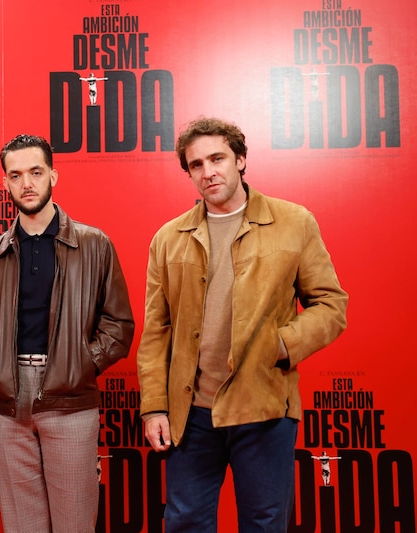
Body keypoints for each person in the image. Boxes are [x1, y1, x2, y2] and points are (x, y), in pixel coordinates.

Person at [136, 116, 348, 532]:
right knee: (184, 523)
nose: (208, 172)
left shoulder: (294, 222)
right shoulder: (168, 237)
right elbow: (156, 331)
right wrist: (154, 406)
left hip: (264, 406)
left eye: (217, 158)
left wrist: (282, 344)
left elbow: (331, 305)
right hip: (191, 413)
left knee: (265, 524)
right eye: (196, 164)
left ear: (241, 159)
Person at [0, 134, 135, 532]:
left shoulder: (94, 244)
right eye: (16, 175)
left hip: (72, 398)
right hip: (7, 403)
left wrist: (82, 364)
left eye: (36, 172)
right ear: (5, 183)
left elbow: (119, 324)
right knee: (22, 526)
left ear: (53, 174)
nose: (27, 183)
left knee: (75, 523)